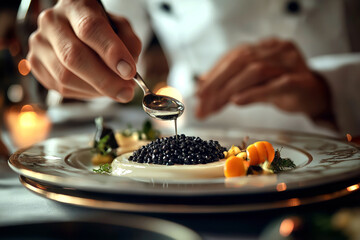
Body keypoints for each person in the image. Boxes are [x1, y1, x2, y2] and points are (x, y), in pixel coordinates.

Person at [27, 0, 360, 136]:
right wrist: (73, 46)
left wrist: (333, 86)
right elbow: (108, 31)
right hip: (193, 134)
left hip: (336, 135)